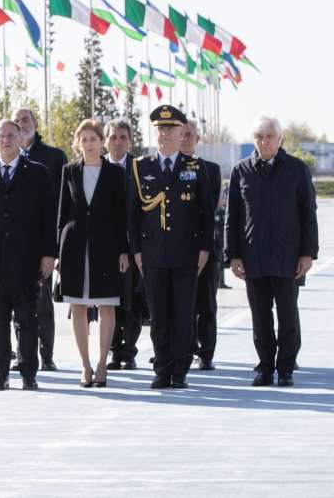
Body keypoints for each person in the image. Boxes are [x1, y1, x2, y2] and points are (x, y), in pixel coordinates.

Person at [225, 116, 318, 388]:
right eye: (259, 136)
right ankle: (265, 366)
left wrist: (307, 253)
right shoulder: (241, 171)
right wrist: (234, 255)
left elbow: (308, 214)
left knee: (288, 314)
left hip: (288, 257)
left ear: (280, 140)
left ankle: (286, 367)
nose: (264, 141)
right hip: (253, 258)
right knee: (260, 316)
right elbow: (233, 216)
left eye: (269, 136)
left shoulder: (297, 169)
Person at [0, 119, 56, 391]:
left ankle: (29, 373)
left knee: (27, 317)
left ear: (20, 138)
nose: (5, 140)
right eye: (0, 136)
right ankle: (1, 373)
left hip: (28, 259)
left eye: (10, 135)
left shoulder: (38, 173)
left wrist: (49, 254)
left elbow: (48, 216)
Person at [128, 105, 214, 389]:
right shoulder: (142, 167)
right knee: (159, 315)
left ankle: (180, 370)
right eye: (160, 130)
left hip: (186, 254)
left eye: (171, 129)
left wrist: (204, 250)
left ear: (182, 134)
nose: (165, 134)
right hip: (152, 255)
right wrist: (137, 252)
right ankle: (162, 369)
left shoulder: (195, 167)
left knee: (184, 315)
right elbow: (133, 214)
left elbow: (205, 212)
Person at [57, 119, 128, 388]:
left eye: (93, 139)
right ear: (78, 143)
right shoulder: (69, 172)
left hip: (106, 247)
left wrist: (124, 249)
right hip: (74, 246)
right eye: (84, 139)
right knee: (78, 306)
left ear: (102, 141)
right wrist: (57, 253)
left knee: (107, 304)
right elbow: (62, 214)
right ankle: (85, 365)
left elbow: (121, 216)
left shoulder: (115, 174)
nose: (89, 144)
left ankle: (101, 365)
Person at [13, 108, 66, 372]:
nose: (21, 124)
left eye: (26, 120)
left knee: (42, 302)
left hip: (43, 243)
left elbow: (63, 203)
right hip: (12, 246)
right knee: (15, 303)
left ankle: (46, 355)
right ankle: (23, 356)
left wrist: (56, 248)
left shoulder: (54, 157)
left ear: (35, 124)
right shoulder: (2, 159)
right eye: (17, 120)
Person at [180, 120, 223, 371]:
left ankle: (205, 352)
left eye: (189, 135)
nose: (184, 139)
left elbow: (207, 207)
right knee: (180, 304)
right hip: (175, 247)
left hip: (205, 245)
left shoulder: (211, 170)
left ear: (197, 138)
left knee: (206, 303)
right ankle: (181, 349)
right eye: (181, 134)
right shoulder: (166, 168)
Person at [103, 119, 144, 371]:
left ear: (130, 141)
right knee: (109, 301)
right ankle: (113, 350)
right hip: (105, 246)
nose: (118, 142)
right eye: (113, 137)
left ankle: (128, 351)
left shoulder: (139, 167)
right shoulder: (97, 166)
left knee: (132, 302)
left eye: (123, 137)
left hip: (132, 247)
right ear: (106, 140)